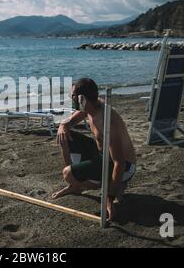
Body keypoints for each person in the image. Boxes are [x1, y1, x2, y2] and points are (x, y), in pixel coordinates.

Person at [52, 78, 137, 221]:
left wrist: (109, 198)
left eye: (72, 96)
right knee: (64, 135)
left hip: (124, 166)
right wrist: (63, 124)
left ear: (81, 98)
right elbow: (72, 120)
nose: (70, 98)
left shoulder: (106, 122)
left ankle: (109, 184)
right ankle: (75, 184)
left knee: (67, 173)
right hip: (102, 154)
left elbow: (119, 163)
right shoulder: (91, 105)